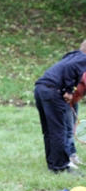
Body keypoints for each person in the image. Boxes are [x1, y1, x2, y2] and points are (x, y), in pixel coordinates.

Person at [34, 42, 86, 174]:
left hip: (40, 88)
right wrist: (68, 90)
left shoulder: (73, 56)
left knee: (49, 131)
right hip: (52, 90)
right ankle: (61, 167)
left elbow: (66, 65)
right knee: (59, 130)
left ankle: (53, 164)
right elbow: (69, 67)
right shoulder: (83, 58)